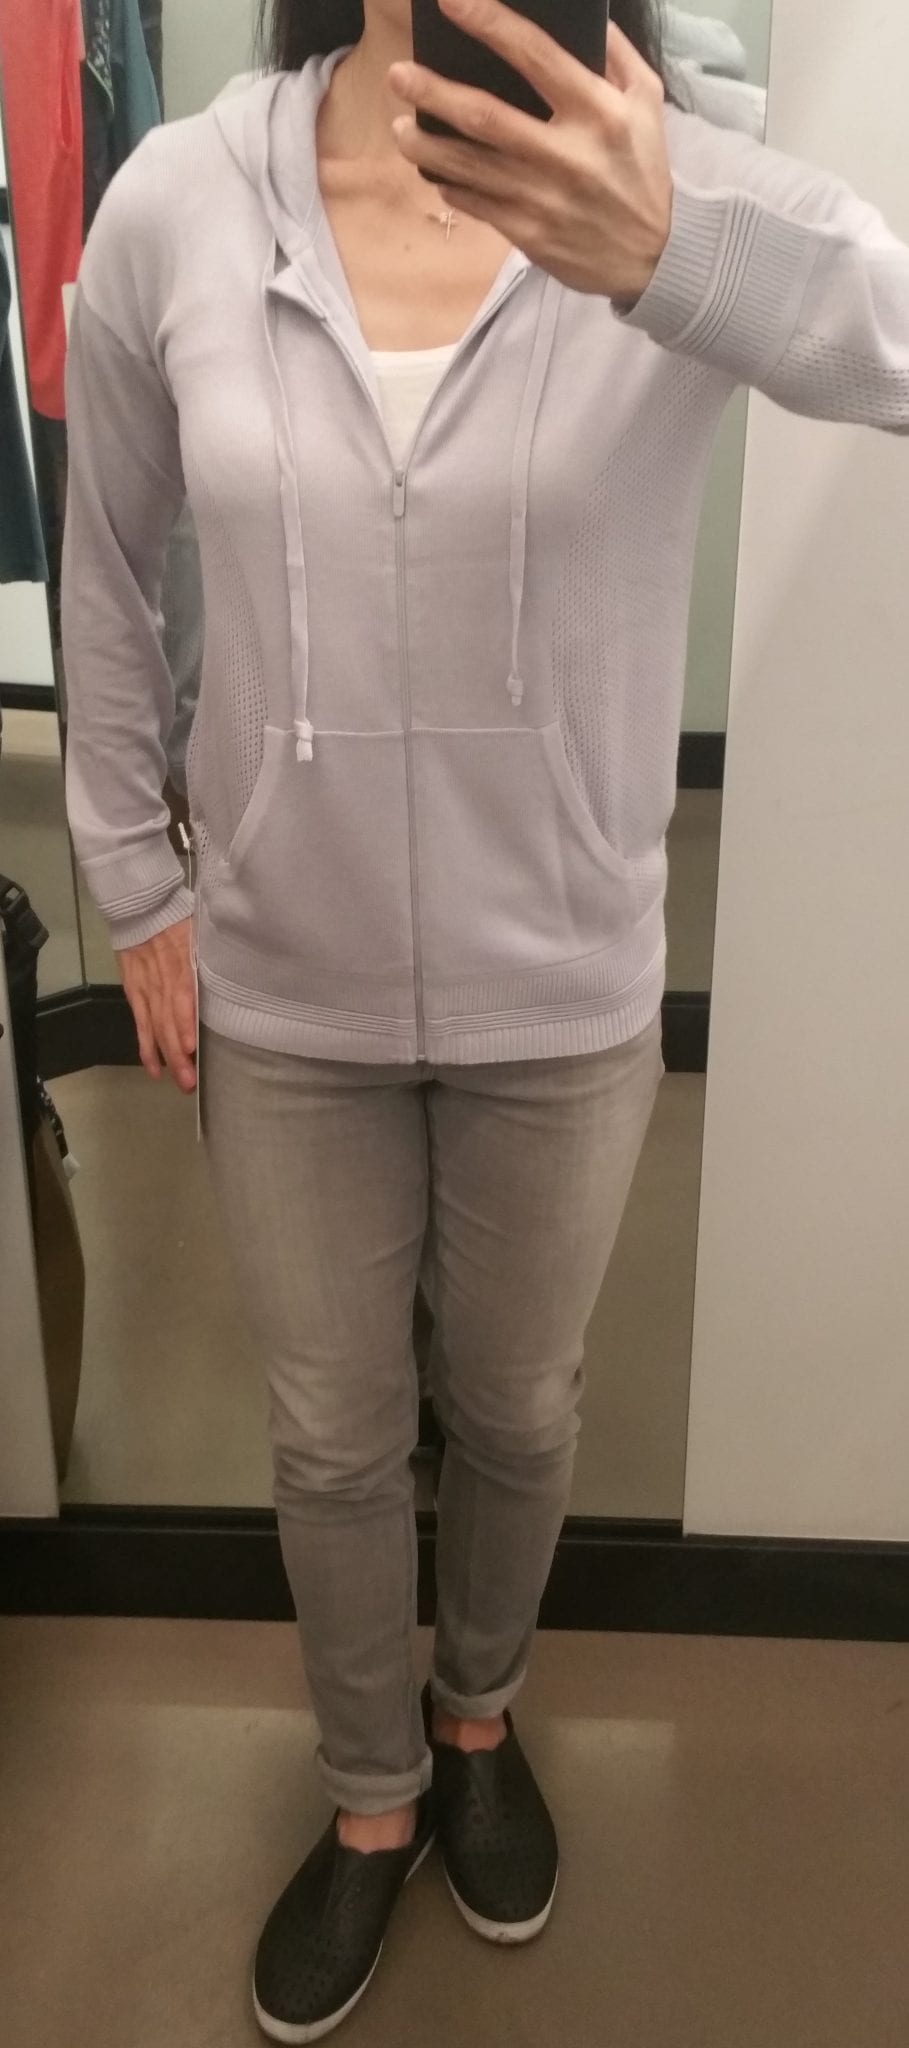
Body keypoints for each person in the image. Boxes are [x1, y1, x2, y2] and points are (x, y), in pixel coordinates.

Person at [61, 0, 909, 2037]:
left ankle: (475, 1715)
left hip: (561, 979)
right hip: (287, 970)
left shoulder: (663, 179)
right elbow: (107, 554)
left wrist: (671, 250)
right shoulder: (184, 197)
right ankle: (370, 1792)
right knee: (331, 1430)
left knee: (520, 1408)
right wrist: (133, 875)